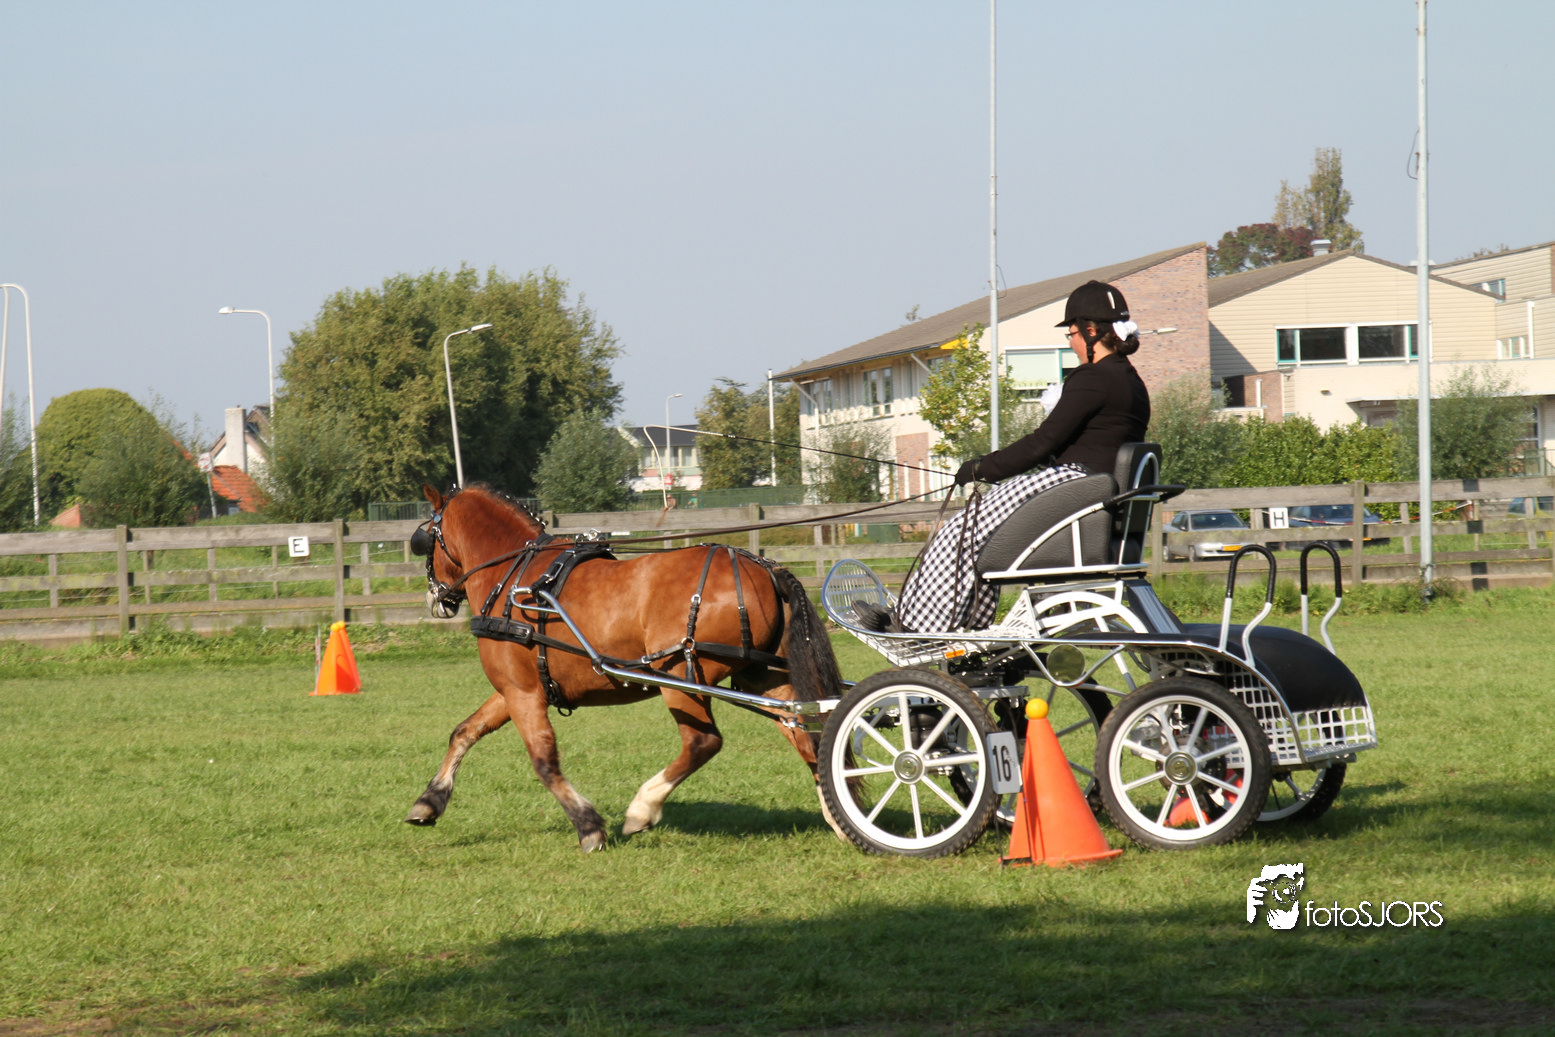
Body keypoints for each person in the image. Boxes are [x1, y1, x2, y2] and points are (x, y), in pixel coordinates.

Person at [860, 279, 1151, 633]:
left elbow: (1041, 443)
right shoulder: (1132, 382)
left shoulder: (1093, 378)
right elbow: (1085, 441)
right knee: (977, 536)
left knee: (960, 532)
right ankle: (958, 623)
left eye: (1072, 334)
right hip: (1091, 491)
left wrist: (982, 468)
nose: (1071, 342)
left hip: (1075, 486)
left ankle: (914, 625)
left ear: (1091, 331)